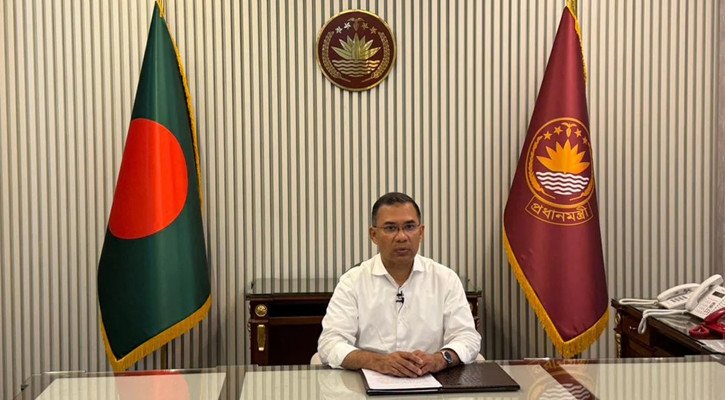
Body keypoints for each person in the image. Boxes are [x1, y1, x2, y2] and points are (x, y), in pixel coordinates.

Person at [317, 192, 481, 377]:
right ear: (373, 235)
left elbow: (468, 337)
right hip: (369, 381)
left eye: (409, 227)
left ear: (421, 232)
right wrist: (377, 361)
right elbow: (330, 344)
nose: (402, 237)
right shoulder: (353, 281)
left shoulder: (445, 279)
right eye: (390, 228)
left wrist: (440, 359)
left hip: (431, 380)